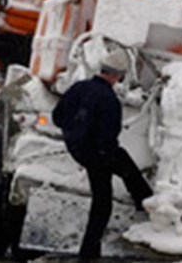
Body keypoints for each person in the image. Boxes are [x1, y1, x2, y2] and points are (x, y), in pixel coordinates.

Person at [52, 50, 153, 262]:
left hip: (77, 148)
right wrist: (105, 155)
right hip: (97, 154)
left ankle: (91, 252)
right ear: (117, 76)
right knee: (104, 200)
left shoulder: (78, 88)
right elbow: (109, 135)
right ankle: (145, 203)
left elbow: (57, 116)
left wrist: (75, 132)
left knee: (119, 168)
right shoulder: (109, 100)